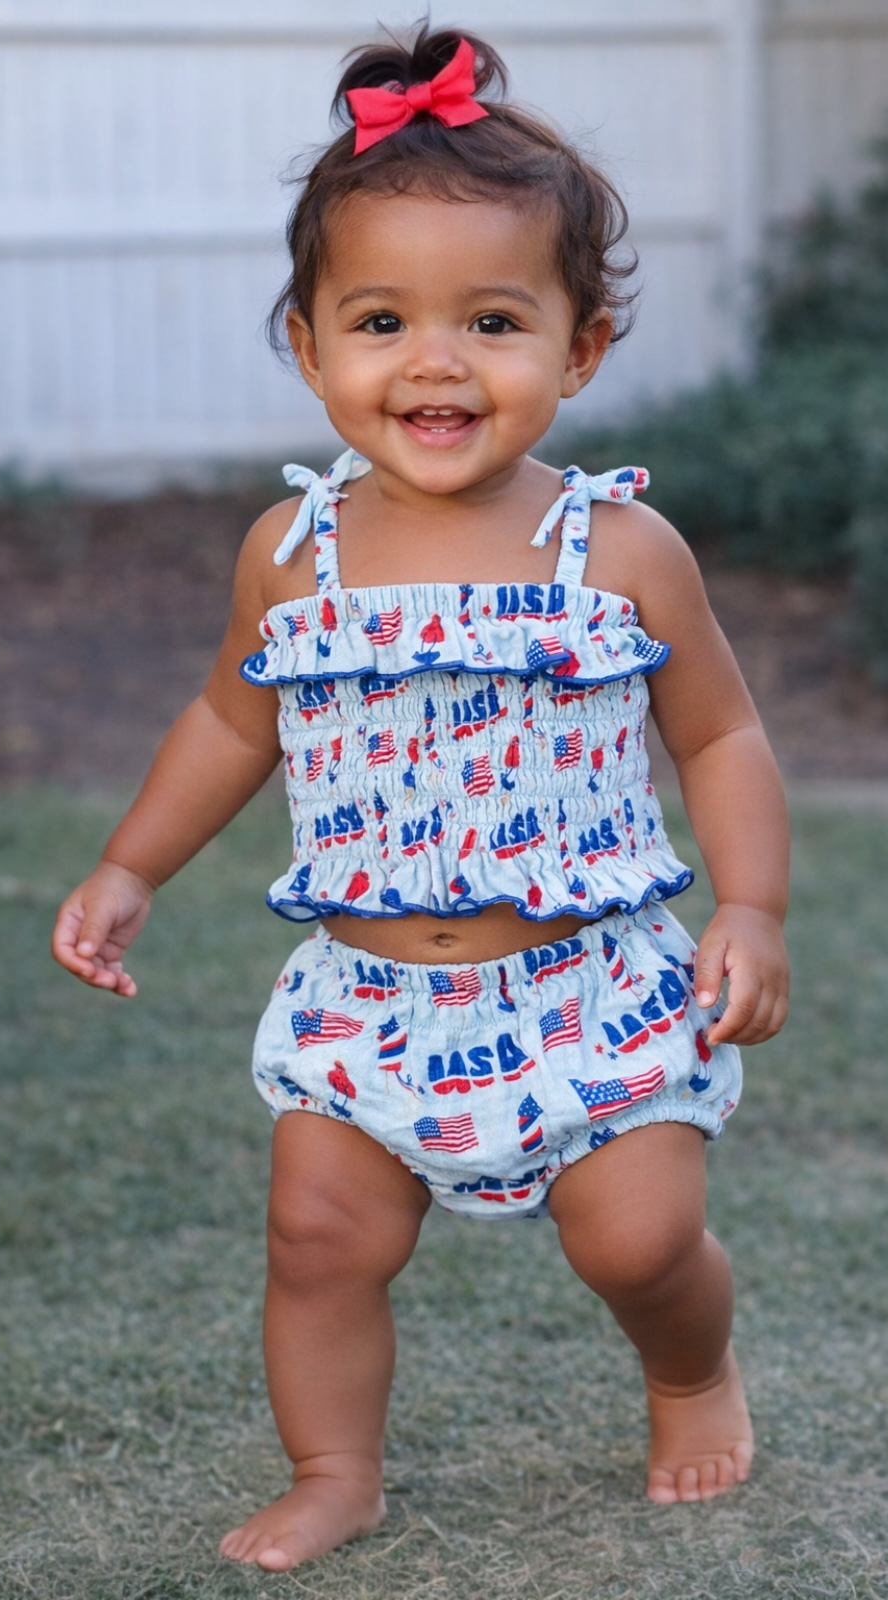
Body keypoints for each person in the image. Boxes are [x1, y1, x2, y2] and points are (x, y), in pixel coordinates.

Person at [51, 25, 790, 1573]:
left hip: (587, 983)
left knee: (639, 1237)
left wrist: (749, 904)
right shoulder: (292, 552)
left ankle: (689, 1366)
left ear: (580, 351)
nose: (436, 361)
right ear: (313, 349)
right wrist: (130, 869)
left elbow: (719, 738)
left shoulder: (619, 552)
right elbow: (228, 721)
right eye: (381, 320)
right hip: (365, 999)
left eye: (495, 321)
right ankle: (337, 1468)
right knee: (318, 1241)